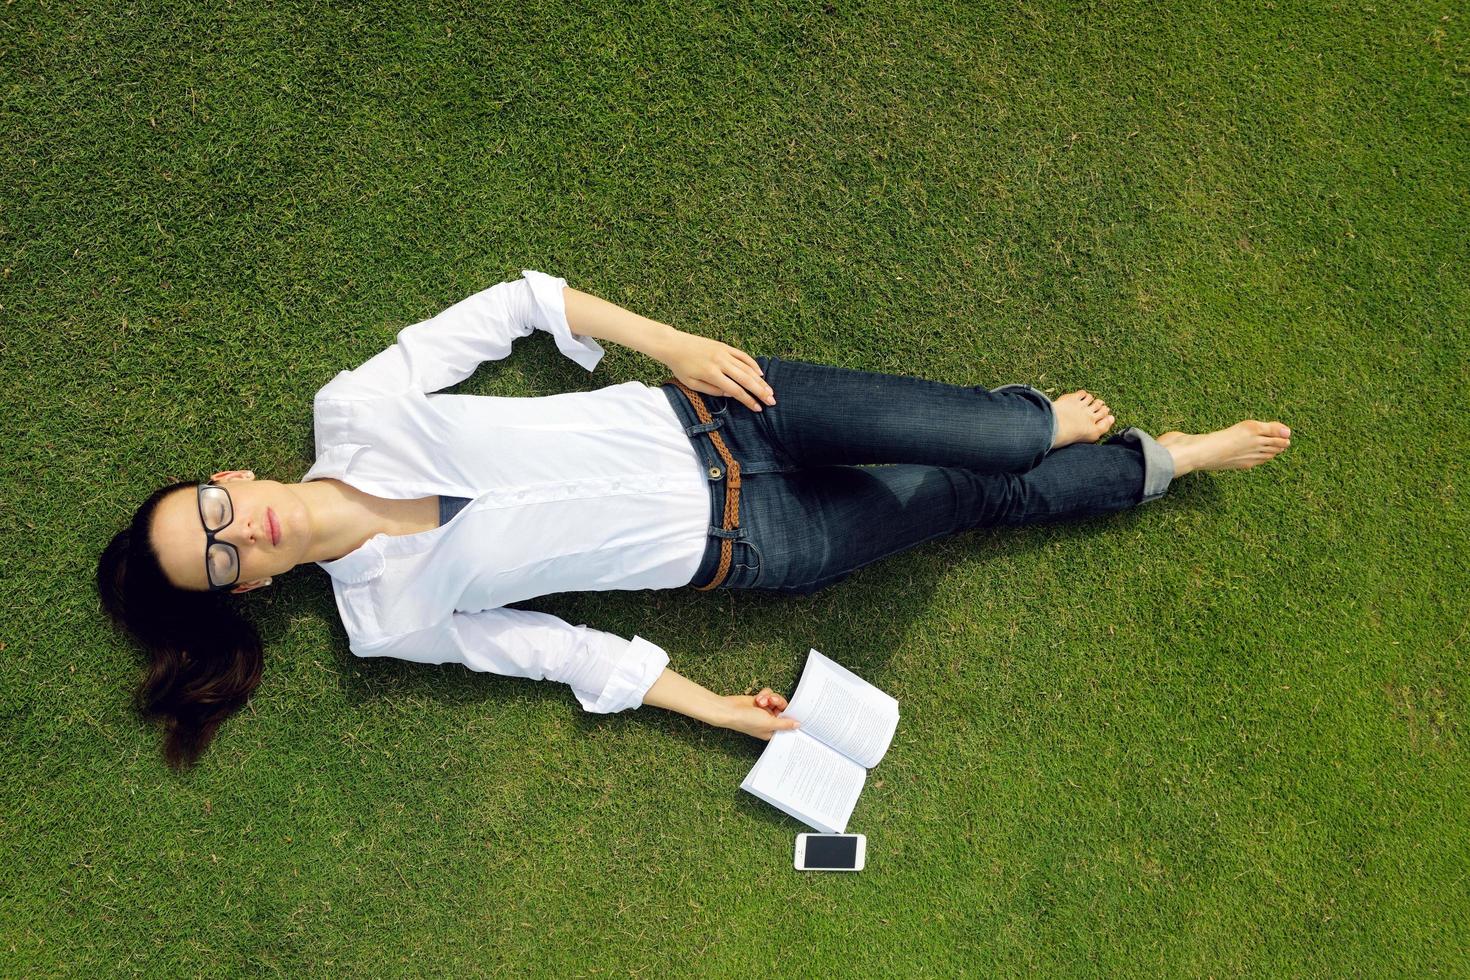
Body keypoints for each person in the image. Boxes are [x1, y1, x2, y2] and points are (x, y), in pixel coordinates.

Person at [96, 270, 1291, 770]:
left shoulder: (353, 407)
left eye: (211, 508)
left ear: (231, 475)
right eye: (214, 558)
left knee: (1009, 434)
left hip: (729, 419)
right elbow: (559, 651)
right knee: (981, 496)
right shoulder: (383, 618)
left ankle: (1028, 421)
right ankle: (1168, 461)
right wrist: (716, 707)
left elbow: (521, 301)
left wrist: (667, 343)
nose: (235, 529)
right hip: (759, 548)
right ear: (240, 590)